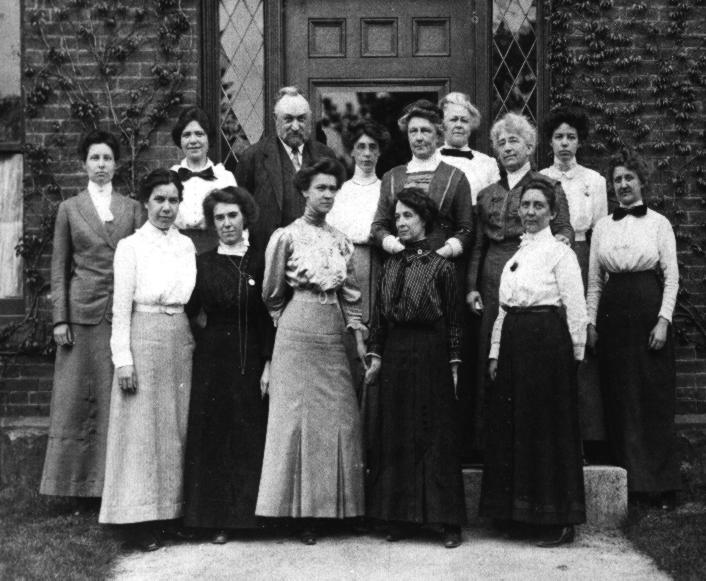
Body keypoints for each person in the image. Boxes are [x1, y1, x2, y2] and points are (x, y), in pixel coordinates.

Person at [255, 159, 367, 545]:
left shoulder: (340, 239)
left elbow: (351, 291)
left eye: (333, 189)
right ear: (304, 190)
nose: (327, 195)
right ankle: (302, 515)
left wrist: (356, 327)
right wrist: (286, 318)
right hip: (297, 325)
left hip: (332, 326)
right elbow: (271, 292)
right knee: (297, 418)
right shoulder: (286, 236)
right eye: (320, 188)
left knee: (341, 416)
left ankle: (341, 509)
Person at [479, 179, 587, 547]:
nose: (529, 212)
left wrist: (575, 353)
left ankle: (558, 521)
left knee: (545, 430)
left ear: (553, 213)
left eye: (538, 205)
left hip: (547, 345)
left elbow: (575, 305)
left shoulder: (560, 253)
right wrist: (495, 352)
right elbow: (504, 309)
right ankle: (521, 516)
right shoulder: (516, 256)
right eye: (525, 205)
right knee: (515, 427)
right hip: (514, 344)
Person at [40, 130, 143, 502]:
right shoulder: (70, 208)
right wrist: (60, 319)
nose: (101, 165)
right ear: (84, 163)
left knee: (113, 397)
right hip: (81, 316)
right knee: (75, 399)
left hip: (120, 313)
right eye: (95, 158)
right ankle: (71, 487)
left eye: (107, 158)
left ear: (117, 164)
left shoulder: (132, 208)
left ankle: (109, 486)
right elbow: (58, 265)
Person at [99, 169, 196, 551]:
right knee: (142, 431)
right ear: (145, 202)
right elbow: (121, 308)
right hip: (144, 332)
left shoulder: (186, 246)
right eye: (159, 199)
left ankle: (172, 515)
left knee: (175, 428)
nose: (167, 207)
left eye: (173, 200)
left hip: (179, 336)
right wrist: (123, 359)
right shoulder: (131, 247)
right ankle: (139, 520)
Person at [365, 187, 466, 549]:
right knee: (398, 430)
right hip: (396, 351)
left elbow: (454, 319)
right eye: (397, 217)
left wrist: (454, 362)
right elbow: (378, 317)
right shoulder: (390, 264)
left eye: (408, 216)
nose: (401, 223)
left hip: (431, 350)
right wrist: (376, 356)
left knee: (434, 431)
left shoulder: (442, 266)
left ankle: (446, 521)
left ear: (424, 220)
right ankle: (401, 517)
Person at [467, 112, 573, 450]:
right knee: (491, 352)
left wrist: (558, 249)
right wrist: (471, 286)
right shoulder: (486, 195)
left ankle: (530, 440)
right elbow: (479, 245)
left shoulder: (548, 187)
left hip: (534, 272)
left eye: (514, 141)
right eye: (501, 143)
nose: (508, 147)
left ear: (529, 145)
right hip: (492, 276)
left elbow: (565, 230)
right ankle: (489, 442)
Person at [586, 150, 681, 509]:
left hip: (647, 307)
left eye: (629, 178)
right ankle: (628, 483)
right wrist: (592, 322)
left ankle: (660, 485)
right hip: (613, 311)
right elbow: (595, 281)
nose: (623, 185)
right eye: (617, 180)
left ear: (641, 181)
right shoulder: (603, 227)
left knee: (651, 395)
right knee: (619, 394)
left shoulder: (659, 223)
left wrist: (663, 320)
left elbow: (672, 277)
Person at [183, 187, 273, 544]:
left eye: (232, 216)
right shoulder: (202, 262)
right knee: (215, 434)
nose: (226, 224)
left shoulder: (260, 260)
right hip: (213, 359)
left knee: (249, 432)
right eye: (219, 218)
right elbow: (191, 308)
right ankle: (216, 519)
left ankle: (251, 518)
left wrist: (268, 362)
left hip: (252, 354)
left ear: (245, 217)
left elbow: (269, 316)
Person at [540, 106, 608, 457]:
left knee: (581, 333)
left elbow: (599, 232)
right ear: (549, 142)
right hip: (549, 259)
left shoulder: (594, 181)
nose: (564, 144)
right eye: (558, 137)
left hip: (582, 256)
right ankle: (553, 434)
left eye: (571, 137)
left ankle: (588, 436)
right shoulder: (540, 178)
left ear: (579, 142)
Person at [235, 86, 336, 251]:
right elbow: (239, 210)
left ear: (310, 119)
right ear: (276, 119)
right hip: (268, 256)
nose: (295, 127)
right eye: (288, 119)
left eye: (301, 119)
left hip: (316, 256)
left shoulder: (325, 156)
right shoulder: (253, 157)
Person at [371, 99, 473, 262]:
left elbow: (466, 229)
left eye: (425, 131)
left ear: (438, 135)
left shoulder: (456, 177)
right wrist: (398, 249)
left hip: (442, 270)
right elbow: (378, 226)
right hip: (401, 268)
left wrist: (440, 254)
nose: (418, 137)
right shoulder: (391, 177)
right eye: (413, 131)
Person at [327, 119, 390, 324]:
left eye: (373, 147)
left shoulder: (387, 190)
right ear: (352, 151)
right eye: (361, 147)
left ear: (379, 152)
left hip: (378, 263)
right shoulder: (340, 192)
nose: (367, 153)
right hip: (345, 266)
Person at [170, 106, 237, 253]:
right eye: (186, 135)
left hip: (216, 254)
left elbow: (237, 226)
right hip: (175, 255)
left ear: (209, 138)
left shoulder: (225, 178)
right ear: (179, 140)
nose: (193, 140)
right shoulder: (169, 178)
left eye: (199, 134)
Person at [438, 91, 500, 204]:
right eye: (453, 119)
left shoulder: (488, 163)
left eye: (464, 120)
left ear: (471, 125)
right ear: (442, 125)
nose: (459, 125)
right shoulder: (431, 159)